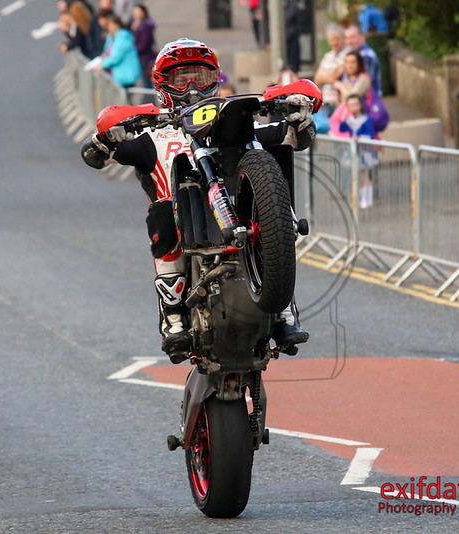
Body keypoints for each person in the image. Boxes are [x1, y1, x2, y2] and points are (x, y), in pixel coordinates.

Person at [79, 38, 315, 361]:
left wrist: (301, 119)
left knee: (274, 197)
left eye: (200, 78)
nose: (191, 88)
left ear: (214, 79)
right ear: (163, 85)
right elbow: (95, 156)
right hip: (182, 224)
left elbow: (292, 138)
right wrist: (106, 138)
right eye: (181, 80)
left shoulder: (239, 128)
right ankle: (173, 313)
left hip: (238, 216)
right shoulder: (152, 135)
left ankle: (284, 308)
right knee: (162, 211)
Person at [338, 94, 377, 208]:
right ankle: (360, 198)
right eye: (351, 105)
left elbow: (371, 134)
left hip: (364, 151)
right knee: (357, 175)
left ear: (360, 105)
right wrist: (344, 115)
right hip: (353, 151)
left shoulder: (366, 119)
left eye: (356, 104)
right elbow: (342, 128)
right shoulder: (349, 120)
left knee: (365, 175)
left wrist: (359, 138)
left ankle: (367, 199)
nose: (354, 107)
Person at [94, 14, 141, 89]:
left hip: (125, 75)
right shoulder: (111, 38)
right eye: (110, 25)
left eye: (114, 24)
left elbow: (116, 57)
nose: (112, 27)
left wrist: (102, 64)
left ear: (119, 25)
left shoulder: (123, 38)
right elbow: (107, 53)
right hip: (117, 75)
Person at [313, 23, 346, 115]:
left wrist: (324, 76)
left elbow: (334, 76)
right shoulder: (327, 56)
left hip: (339, 102)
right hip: (326, 102)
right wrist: (330, 76)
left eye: (337, 39)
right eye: (332, 40)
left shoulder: (347, 54)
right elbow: (317, 79)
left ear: (343, 38)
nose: (335, 43)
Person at [342, 24, 382, 96]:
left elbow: (363, 86)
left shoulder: (367, 56)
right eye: (347, 38)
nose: (349, 41)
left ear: (362, 37)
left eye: (352, 37)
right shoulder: (349, 53)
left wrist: (340, 86)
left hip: (363, 100)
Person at [130, 4, 155, 89]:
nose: (136, 14)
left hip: (145, 57)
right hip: (141, 57)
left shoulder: (145, 26)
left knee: (146, 82)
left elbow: (145, 43)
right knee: (145, 81)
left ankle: (148, 97)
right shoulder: (137, 25)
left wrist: (134, 51)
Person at [284, 0, 302, 73]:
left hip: (292, 39)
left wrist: (293, 32)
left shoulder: (293, 5)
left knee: (293, 66)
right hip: (279, 42)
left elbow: (299, 22)